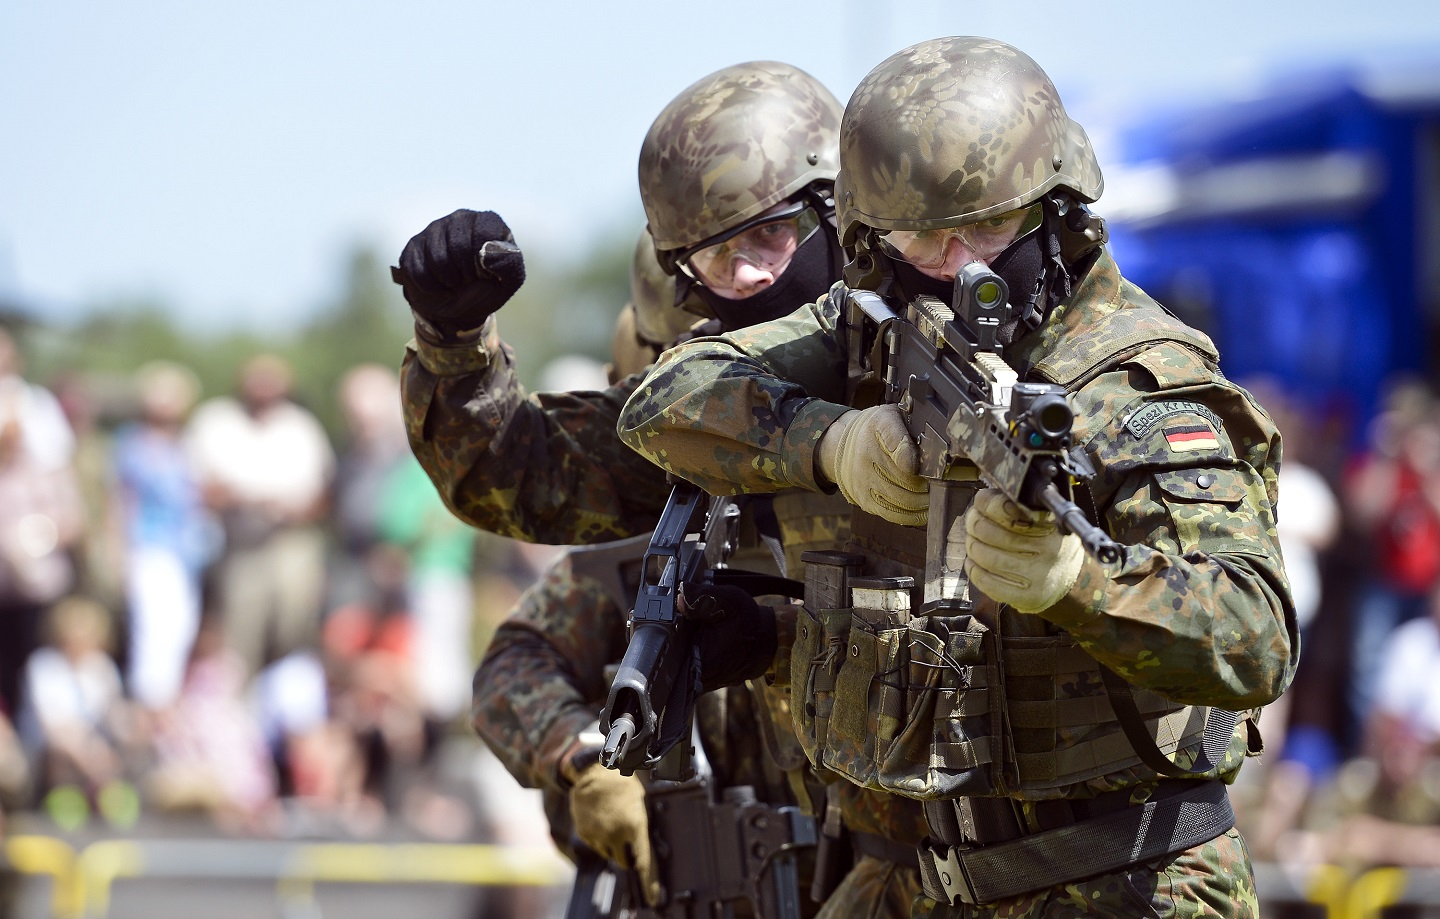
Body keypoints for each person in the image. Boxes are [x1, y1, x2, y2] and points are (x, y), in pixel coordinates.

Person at [619, 37, 1297, 917]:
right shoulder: (870, 319)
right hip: (934, 879)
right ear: (869, 237)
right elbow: (662, 401)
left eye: (987, 227)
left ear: (1057, 209)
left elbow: (1256, 638)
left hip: (1130, 880)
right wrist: (828, 442)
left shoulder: (1140, 386)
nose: (958, 265)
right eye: (922, 237)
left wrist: (1079, 581)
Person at [395, 62, 926, 917]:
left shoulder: (944, 390)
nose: (750, 278)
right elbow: (520, 474)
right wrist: (452, 343)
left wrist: (785, 635)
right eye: (718, 258)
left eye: (772, 238)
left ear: (845, 212)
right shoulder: (705, 432)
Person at [184, 354, 335, 677]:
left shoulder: (301, 427)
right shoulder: (216, 421)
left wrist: (291, 508)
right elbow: (196, 486)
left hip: (292, 541)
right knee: (240, 634)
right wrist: (244, 498)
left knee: (294, 625)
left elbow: (325, 494)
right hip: (240, 545)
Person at [112, 361, 211, 711]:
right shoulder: (132, 445)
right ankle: (148, 707)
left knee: (180, 627)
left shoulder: (185, 444)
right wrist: (120, 553)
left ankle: (165, 704)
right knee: (153, 630)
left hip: (187, 551)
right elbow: (123, 503)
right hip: (149, 547)